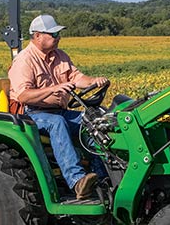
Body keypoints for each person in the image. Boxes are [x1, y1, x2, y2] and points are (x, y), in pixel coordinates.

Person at [8, 13, 109, 199]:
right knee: (57, 123)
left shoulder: (60, 56)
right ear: (37, 36)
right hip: (31, 114)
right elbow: (23, 95)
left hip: (59, 111)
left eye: (58, 34)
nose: (58, 38)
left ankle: (103, 177)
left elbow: (77, 78)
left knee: (93, 121)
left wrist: (94, 81)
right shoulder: (25, 60)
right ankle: (77, 181)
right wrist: (55, 88)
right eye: (53, 35)